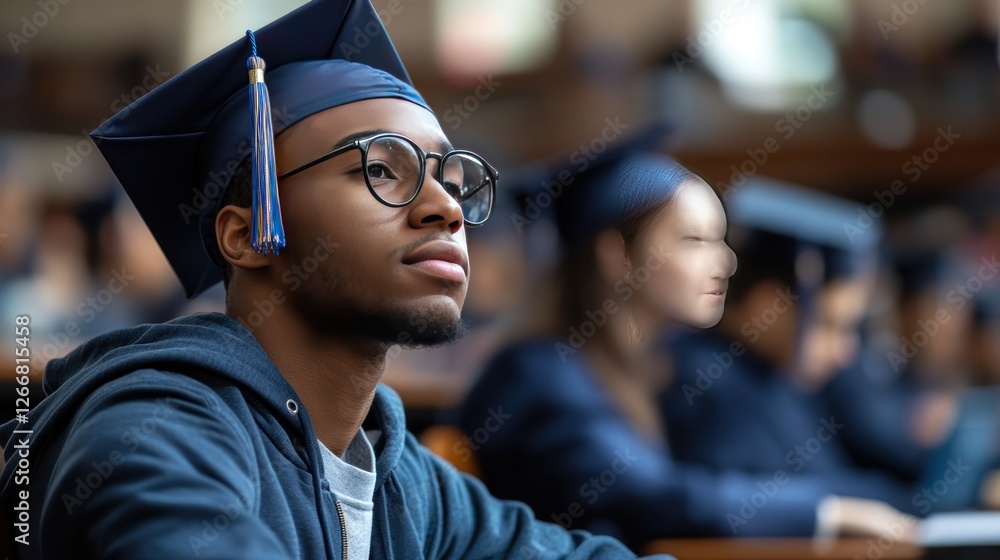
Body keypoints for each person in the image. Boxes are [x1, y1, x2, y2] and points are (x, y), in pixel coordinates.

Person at [0, 2, 669, 558]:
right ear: (248, 235)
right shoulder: (154, 428)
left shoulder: (401, 477)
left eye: (451, 178)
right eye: (381, 171)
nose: (443, 207)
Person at [459, 125, 910, 550]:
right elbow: (648, 495)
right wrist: (824, 513)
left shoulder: (645, 370)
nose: (728, 262)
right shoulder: (535, 374)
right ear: (618, 257)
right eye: (694, 240)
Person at [659, 180, 922, 516]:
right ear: (766, 305)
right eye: (830, 324)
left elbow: (830, 480)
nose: (845, 352)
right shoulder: (705, 382)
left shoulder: (770, 371)